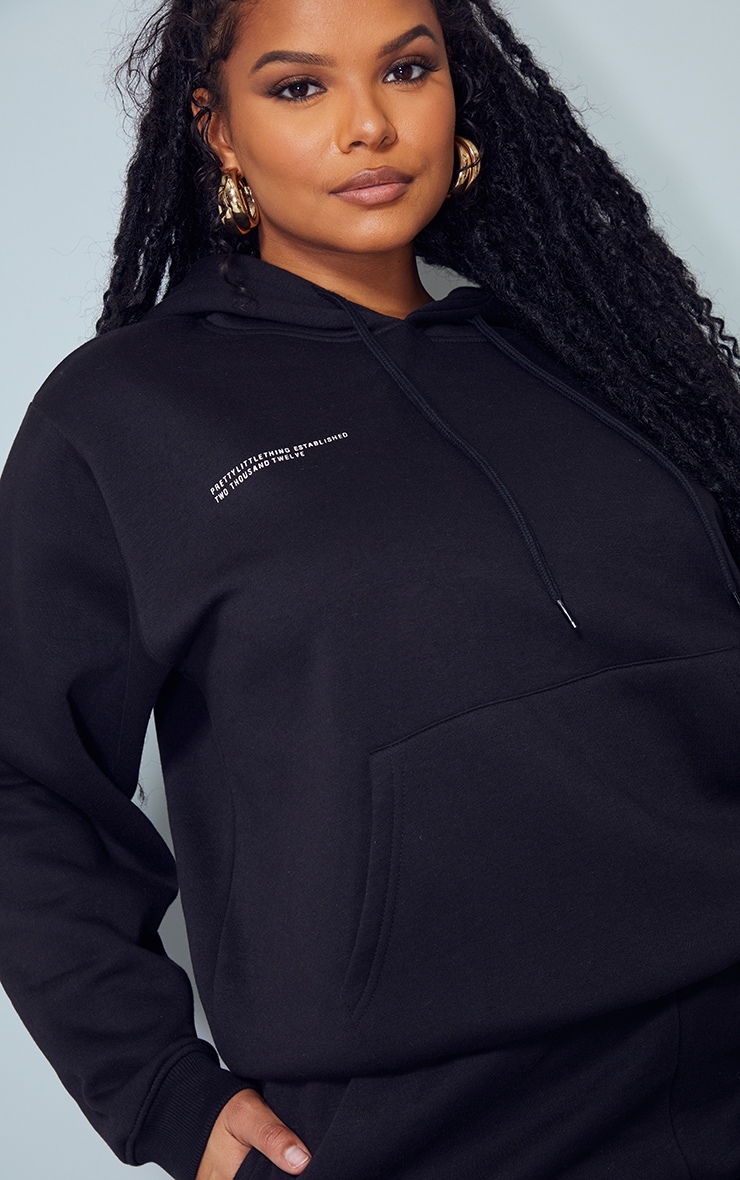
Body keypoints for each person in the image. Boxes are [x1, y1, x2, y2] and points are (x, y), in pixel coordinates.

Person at [2, 0, 740, 1177]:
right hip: (423, 1128)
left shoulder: (601, 355)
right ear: (217, 128)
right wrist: (160, 1091)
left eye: (405, 69)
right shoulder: (123, 415)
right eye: (299, 86)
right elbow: (21, 780)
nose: (368, 126)